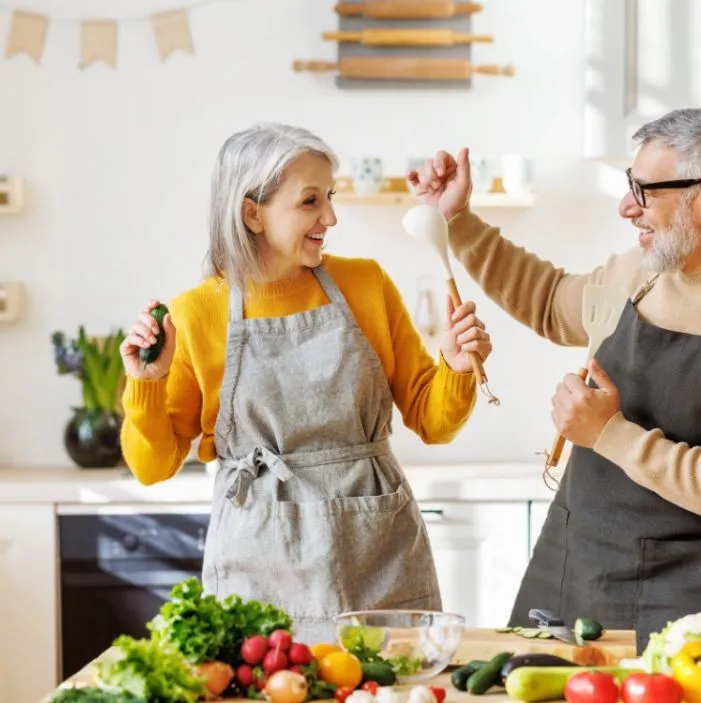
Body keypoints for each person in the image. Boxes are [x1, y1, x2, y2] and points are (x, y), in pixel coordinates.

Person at [408, 108, 701, 648]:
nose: (626, 206)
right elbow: (549, 301)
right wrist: (458, 220)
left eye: (645, 190)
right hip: (567, 572)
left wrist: (608, 434)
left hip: (684, 607)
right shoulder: (642, 272)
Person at [119, 122, 494, 643]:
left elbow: (432, 423)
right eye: (310, 201)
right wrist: (146, 384)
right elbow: (151, 466)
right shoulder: (196, 314)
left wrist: (454, 366)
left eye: (330, 197)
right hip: (259, 571)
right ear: (252, 212)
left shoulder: (366, 284)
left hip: (378, 558)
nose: (331, 217)